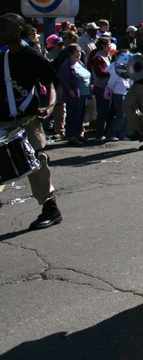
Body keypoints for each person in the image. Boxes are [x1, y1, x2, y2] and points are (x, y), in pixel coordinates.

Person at [0, 14, 62, 229]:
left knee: (36, 163)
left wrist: (50, 105)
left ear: (18, 30)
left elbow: (51, 83)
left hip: (28, 120)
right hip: (3, 121)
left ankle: (50, 209)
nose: (0, 32)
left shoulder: (32, 56)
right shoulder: (3, 57)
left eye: (4, 28)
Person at [59, 45, 91, 146]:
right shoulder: (67, 65)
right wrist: (71, 92)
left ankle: (78, 134)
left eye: (80, 52)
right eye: (76, 52)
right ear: (70, 53)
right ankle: (71, 136)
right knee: (73, 116)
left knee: (80, 116)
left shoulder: (80, 63)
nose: (79, 54)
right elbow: (64, 80)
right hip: (75, 96)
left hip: (84, 94)